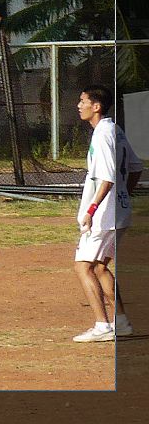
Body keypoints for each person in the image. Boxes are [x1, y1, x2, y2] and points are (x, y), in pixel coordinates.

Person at [72, 85, 138, 342]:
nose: (79, 106)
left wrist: (91, 209)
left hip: (103, 217)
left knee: (83, 266)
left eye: (83, 101)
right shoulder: (115, 130)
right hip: (118, 213)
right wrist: (124, 197)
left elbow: (107, 178)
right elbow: (135, 167)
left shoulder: (102, 135)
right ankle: (121, 323)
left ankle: (102, 326)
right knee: (100, 267)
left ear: (96, 106)